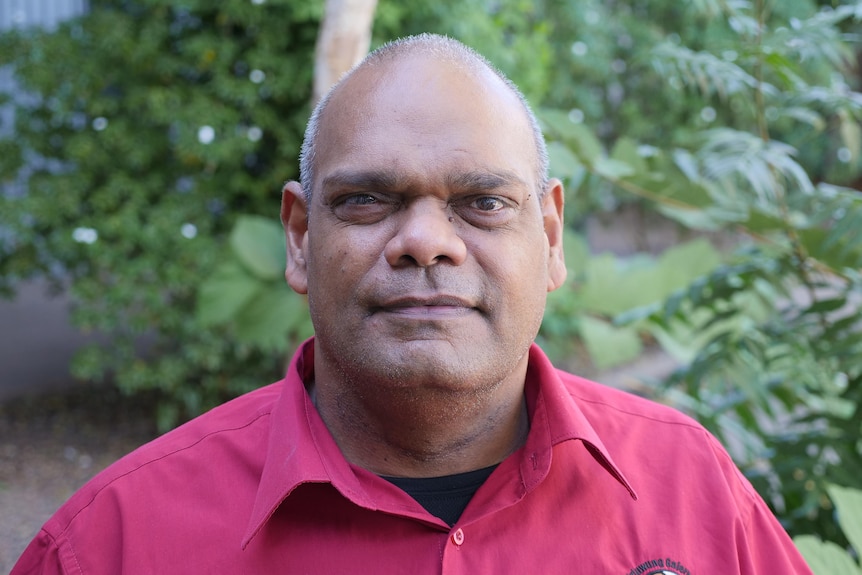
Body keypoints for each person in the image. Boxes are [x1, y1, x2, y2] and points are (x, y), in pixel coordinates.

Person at [13, 33, 812, 574]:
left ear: (551, 234)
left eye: (482, 203)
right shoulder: (115, 543)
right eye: (367, 200)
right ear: (298, 237)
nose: (426, 241)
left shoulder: (689, 489)